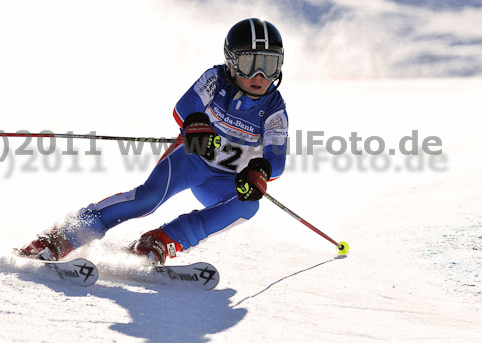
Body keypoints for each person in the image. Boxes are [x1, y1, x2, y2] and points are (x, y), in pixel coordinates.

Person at [19, 18, 289, 265]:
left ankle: (158, 241)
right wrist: (196, 123)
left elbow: (276, 158)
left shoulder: (275, 109)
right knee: (148, 199)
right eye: (248, 64)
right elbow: (187, 104)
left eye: (269, 65)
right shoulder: (216, 79)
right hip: (190, 160)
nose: (259, 77)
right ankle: (62, 237)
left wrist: (259, 171)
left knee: (248, 205)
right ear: (231, 62)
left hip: (223, 181)